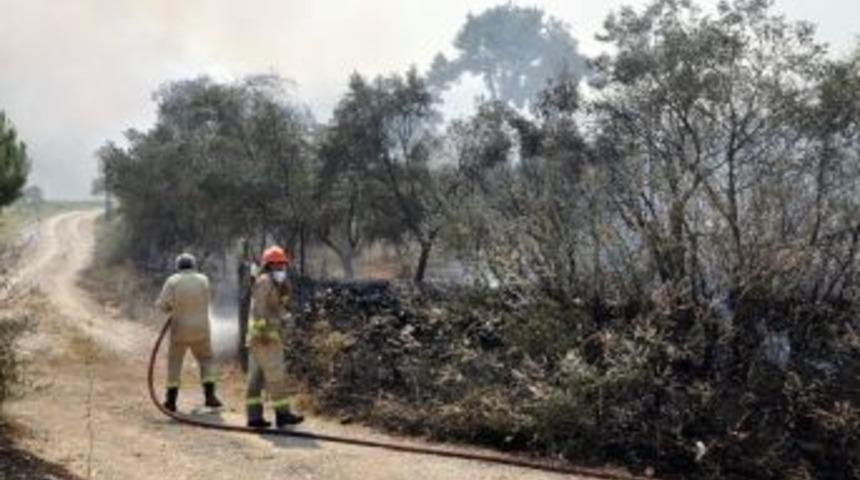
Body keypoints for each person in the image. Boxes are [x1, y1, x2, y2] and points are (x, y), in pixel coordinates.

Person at [155, 253, 222, 412]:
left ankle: (171, 401)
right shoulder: (203, 279)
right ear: (193, 265)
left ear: (178, 267)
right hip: (201, 330)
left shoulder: (173, 281)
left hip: (180, 330)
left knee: (174, 364)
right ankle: (210, 396)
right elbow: (208, 299)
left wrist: (170, 307)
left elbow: (163, 305)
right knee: (206, 361)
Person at [246, 246, 304, 428]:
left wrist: (285, 297)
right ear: (268, 266)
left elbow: (277, 307)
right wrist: (263, 332)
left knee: (255, 380)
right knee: (276, 376)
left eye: (282, 265)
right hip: (265, 339)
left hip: (258, 340)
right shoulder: (264, 282)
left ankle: (254, 418)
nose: (281, 268)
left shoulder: (275, 283)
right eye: (277, 265)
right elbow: (258, 309)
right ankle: (283, 414)